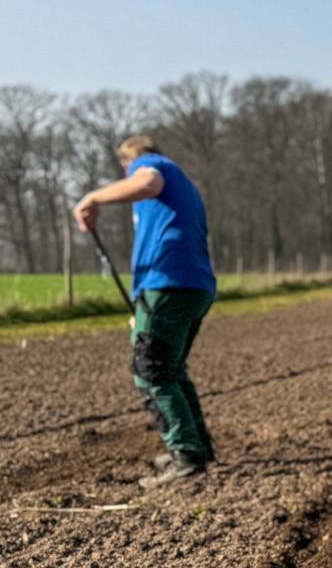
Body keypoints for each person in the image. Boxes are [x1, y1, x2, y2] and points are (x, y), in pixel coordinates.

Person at [73, 135, 218, 488]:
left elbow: (147, 182)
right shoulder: (181, 186)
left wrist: (92, 198)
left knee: (151, 371)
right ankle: (196, 448)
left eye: (127, 168)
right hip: (193, 285)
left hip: (167, 283)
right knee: (171, 369)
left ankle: (186, 455)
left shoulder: (152, 166)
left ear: (129, 161)